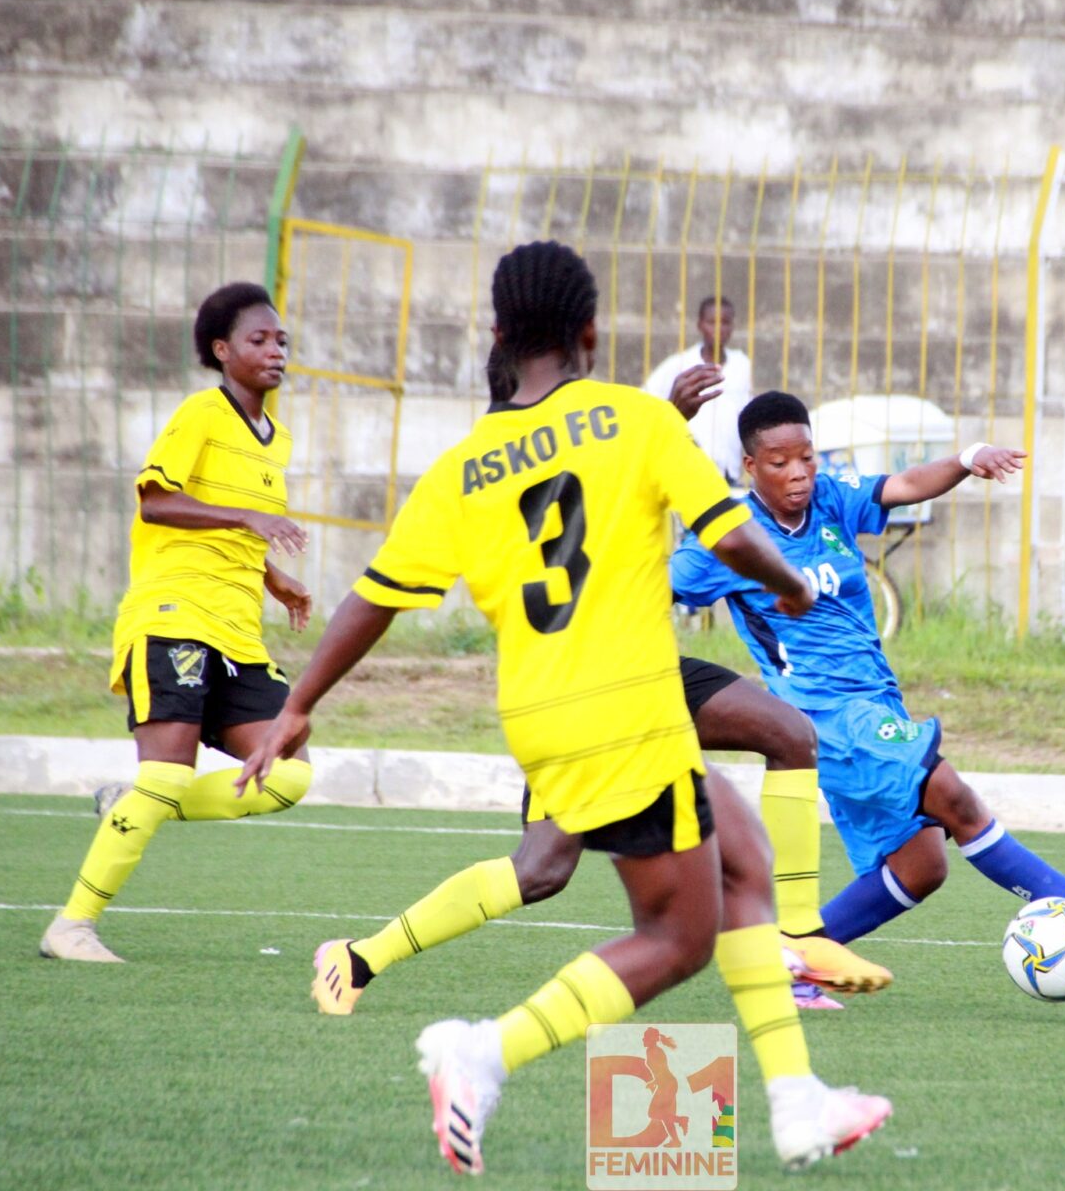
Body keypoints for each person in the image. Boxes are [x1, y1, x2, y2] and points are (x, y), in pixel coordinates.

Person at [240, 242, 890, 1175]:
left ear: (501, 334)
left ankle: (796, 1102)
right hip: (630, 703)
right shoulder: (633, 418)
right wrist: (792, 585)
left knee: (741, 855)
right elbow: (734, 536)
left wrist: (299, 703)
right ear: (590, 333)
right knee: (678, 937)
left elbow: (372, 597)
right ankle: (483, 1051)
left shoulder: (464, 466)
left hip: (544, 719)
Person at [304, 361, 888, 1021]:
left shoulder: (596, 432)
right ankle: (359, 957)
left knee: (788, 733)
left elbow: (635, 465)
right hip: (576, 694)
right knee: (541, 870)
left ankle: (799, 936)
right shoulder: (495, 468)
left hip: (650, 675)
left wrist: (669, 414)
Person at [670, 391, 1065, 959]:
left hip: (876, 704)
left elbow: (902, 486)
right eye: (780, 464)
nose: (799, 473)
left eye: (806, 457)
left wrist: (966, 458)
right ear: (751, 467)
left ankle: (796, 960)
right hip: (825, 716)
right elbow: (657, 589)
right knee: (954, 795)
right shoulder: (727, 535)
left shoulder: (830, 499)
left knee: (921, 864)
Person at [38, 282, 315, 963]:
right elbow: (157, 501)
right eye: (259, 339)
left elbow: (228, 532)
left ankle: (134, 805)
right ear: (222, 351)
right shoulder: (201, 414)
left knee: (287, 774)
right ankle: (71, 926)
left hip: (236, 631)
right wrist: (249, 517)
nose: (275, 350)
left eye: (281, 340)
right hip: (173, 616)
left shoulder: (274, 439)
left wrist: (273, 577)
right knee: (166, 771)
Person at [642, 296, 751, 481]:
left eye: (725, 323)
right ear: (700, 325)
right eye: (712, 322)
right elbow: (645, 398)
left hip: (728, 470)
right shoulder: (680, 363)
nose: (719, 329)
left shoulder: (742, 364)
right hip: (689, 468)